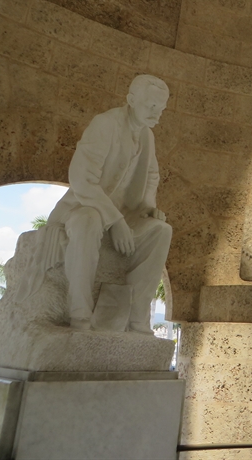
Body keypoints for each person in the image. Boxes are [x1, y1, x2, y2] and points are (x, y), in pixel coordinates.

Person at [44, 74, 172, 333]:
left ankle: (136, 318)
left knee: (161, 230)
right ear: (131, 100)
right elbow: (81, 180)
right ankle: (79, 314)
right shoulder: (105, 124)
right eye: (152, 106)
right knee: (88, 220)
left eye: (162, 108)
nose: (158, 113)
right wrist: (115, 220)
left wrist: (148, 206)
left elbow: (151, 176)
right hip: (84, 207)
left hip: (127, 213)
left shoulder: (147, 136)